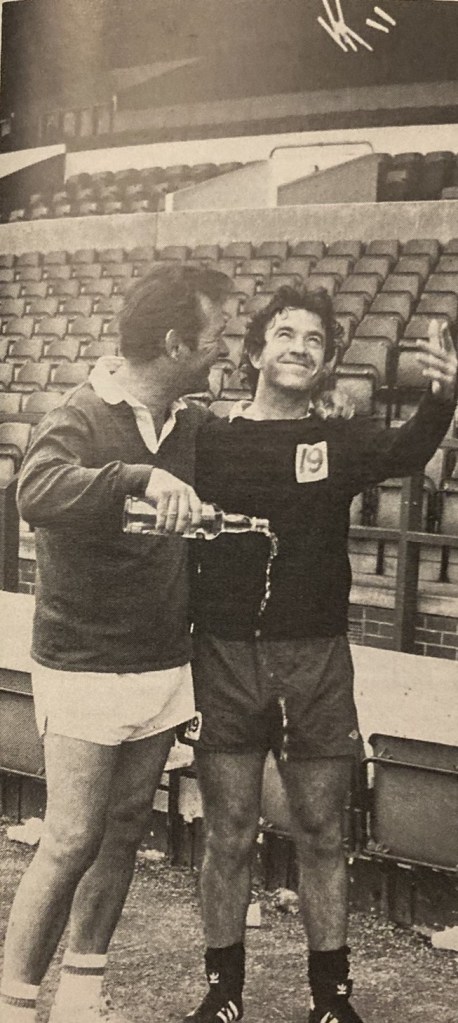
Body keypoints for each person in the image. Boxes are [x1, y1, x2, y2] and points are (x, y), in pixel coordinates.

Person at [184, 286, 458, 1023]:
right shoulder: (208, 437)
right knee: (230, 830)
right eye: (285, 333)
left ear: (329, 359)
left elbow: (409, 449)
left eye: (314, 338)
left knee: (323, 831)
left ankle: (331, 1000)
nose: (299, 346)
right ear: (255, 350)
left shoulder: (339, 440)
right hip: (226, 656)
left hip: (316, 661)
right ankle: (223, 990)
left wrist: (443, 394)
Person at [0, 262, 232, 1023]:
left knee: (125, 827)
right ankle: (13, 1005)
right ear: (175, 342)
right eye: (214, 338)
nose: (221, 352)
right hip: (84, 663)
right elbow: (36, 490)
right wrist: (133, 478)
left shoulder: (190, 422)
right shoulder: (78, 411)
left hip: (162, 661)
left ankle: (80, 997)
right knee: (71, 836)